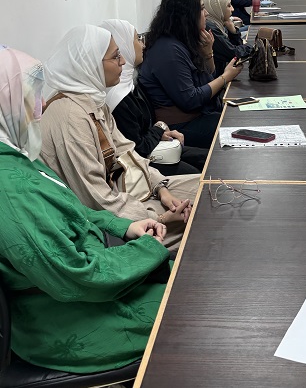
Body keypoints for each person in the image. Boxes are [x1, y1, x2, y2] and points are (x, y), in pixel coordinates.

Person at [0, 45, 171, 373]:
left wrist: (123, 227)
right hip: (65, 317)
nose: (41, 106)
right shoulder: (9, 187)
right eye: (31, 96)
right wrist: (147, 250)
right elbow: (76, 275)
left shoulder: (15, 156)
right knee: (194, 307)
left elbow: (70, 208)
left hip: (85, 287)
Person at [40, 25, 200, 249]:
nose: (123, 61)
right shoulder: (70, 117)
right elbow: (96, 199)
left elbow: (128, 153)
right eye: (115, 56)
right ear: (90, 64)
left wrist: (161, 189)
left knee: (205, 187)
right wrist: (158, 218)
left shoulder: (94, 102)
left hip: (124, 196)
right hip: (104, 225)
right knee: (198, 218)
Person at [139, 0, 242, 149]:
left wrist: (208, 54)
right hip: (180, 126)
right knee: (235, 127)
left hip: (197, 115)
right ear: (186, 15)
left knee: (238, 117)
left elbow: (206, 82)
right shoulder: (168, 50)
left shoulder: (182, 41)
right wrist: (225, 77)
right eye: (201, 9)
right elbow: (191, 100)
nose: (206, 13)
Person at [101, 19, 208, 174]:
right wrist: (159, 129)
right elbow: (139, 148)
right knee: (201, 172)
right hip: (144, 162)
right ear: (124, 46)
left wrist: (159, 132)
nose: (143, 45)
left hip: (154, 148)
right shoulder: (117, 98)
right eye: (137, 39)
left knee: (208, 159)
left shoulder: (128, 84)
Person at [201, 0, 253, 77]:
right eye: (228, 5)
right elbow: (233, 54)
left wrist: (233, 31)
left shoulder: (218, 24)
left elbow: (235, 46)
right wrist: (251, 47)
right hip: (218, 79)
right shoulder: (210, 28)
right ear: (217, 7)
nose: (232, 9)